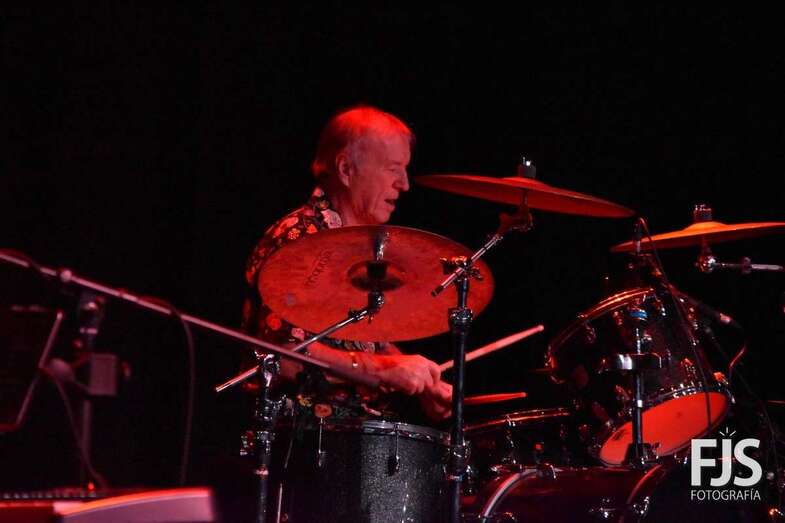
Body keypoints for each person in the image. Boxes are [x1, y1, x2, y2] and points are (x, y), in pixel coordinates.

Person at [242, 105, 452, 421]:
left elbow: (365, 344)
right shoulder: (301, 238)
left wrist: (422, 381)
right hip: (302, 436)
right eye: (393, 169)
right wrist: (384, 369)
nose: (404, 184)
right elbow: (283, 356)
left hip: (354, 434)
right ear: (345, 169)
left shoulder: (357, 246)